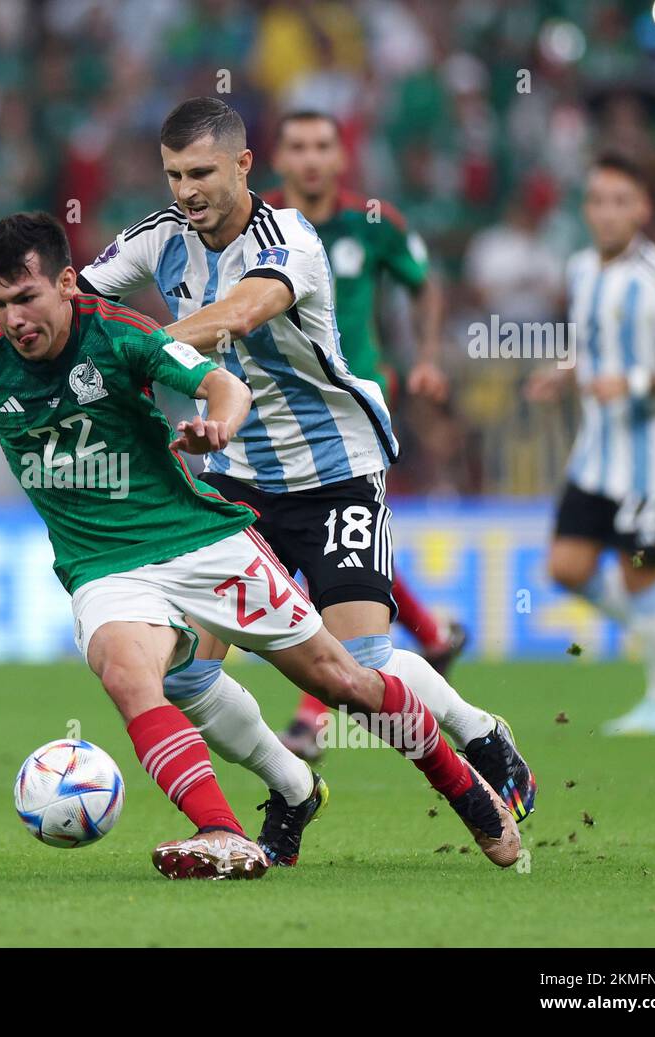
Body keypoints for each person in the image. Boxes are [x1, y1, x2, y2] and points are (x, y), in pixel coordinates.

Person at [0, 212, 522, 877]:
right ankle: (223, 828)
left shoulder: (122, 334)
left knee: (343, 679)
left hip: (200, 539)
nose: (13, 318)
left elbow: (219, 383)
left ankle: (462, 785)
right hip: (102, 567)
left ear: (64, 282)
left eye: (25, 297)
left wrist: (219, 421)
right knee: (130, 676)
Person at [0, 99, 537, 840]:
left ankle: (478, 731)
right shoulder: (158, 240)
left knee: (359, 664)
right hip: (229, 466)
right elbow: (67, 303)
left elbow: (240, 314)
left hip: (333, 468)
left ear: (244, 166)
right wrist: (3, 329)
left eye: (201, 173)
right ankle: (292, 786)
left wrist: (142, 355)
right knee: (185, 674)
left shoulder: (290, 239)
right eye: (174, 175)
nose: (186, 191)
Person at [266, 110, 466, 757]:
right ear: (278, 158)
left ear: (341, 156)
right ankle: (432, 633)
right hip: (281, 416)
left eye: (324, 145)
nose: (312, 159)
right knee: (349, 550)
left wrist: (428, 355)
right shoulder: (255, 221)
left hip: (359, 405)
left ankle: (309, 719)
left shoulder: (372, 223)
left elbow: (423, 283)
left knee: (329, 549)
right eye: (298, 147)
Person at [525, 154, 655, 735]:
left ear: (642, 209)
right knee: (566, 567)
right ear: (587, 208)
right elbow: (597, 343)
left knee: (638, 573)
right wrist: (565, 371)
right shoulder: (582, 268)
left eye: (620, 202)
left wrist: (631, 382)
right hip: (598, 451)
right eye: (598, 201)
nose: (607, 213)